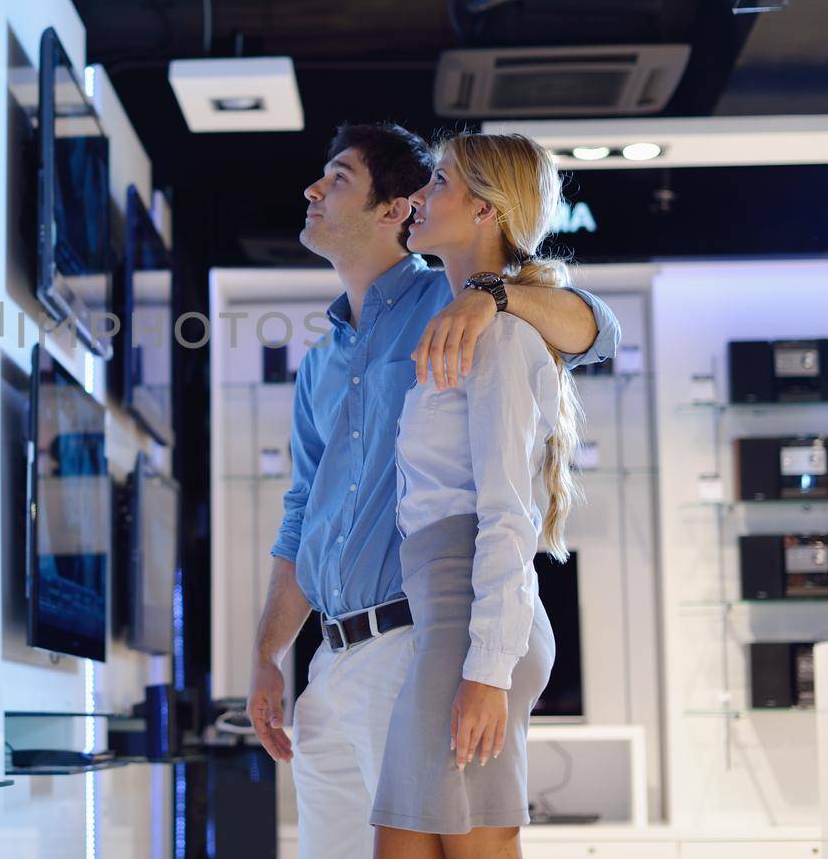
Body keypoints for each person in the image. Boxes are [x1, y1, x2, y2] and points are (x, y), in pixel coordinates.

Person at [244, 122, 619, 859]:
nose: (312, 190)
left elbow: (595, 331)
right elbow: (301, 518)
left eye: (337, 177)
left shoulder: (450, 300)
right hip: (331, 658)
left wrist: (493, 297)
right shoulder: (319, 365)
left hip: (418, 636)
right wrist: (268, 653)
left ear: (393, 210)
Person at [371, 131, 583, 858]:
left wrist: (487, 673)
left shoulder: (501, 337)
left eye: (439, 181)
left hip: (473, 631)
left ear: (487, 210)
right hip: (450, 624)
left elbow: (506, 515)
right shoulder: (466, 319)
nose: (420, 196)